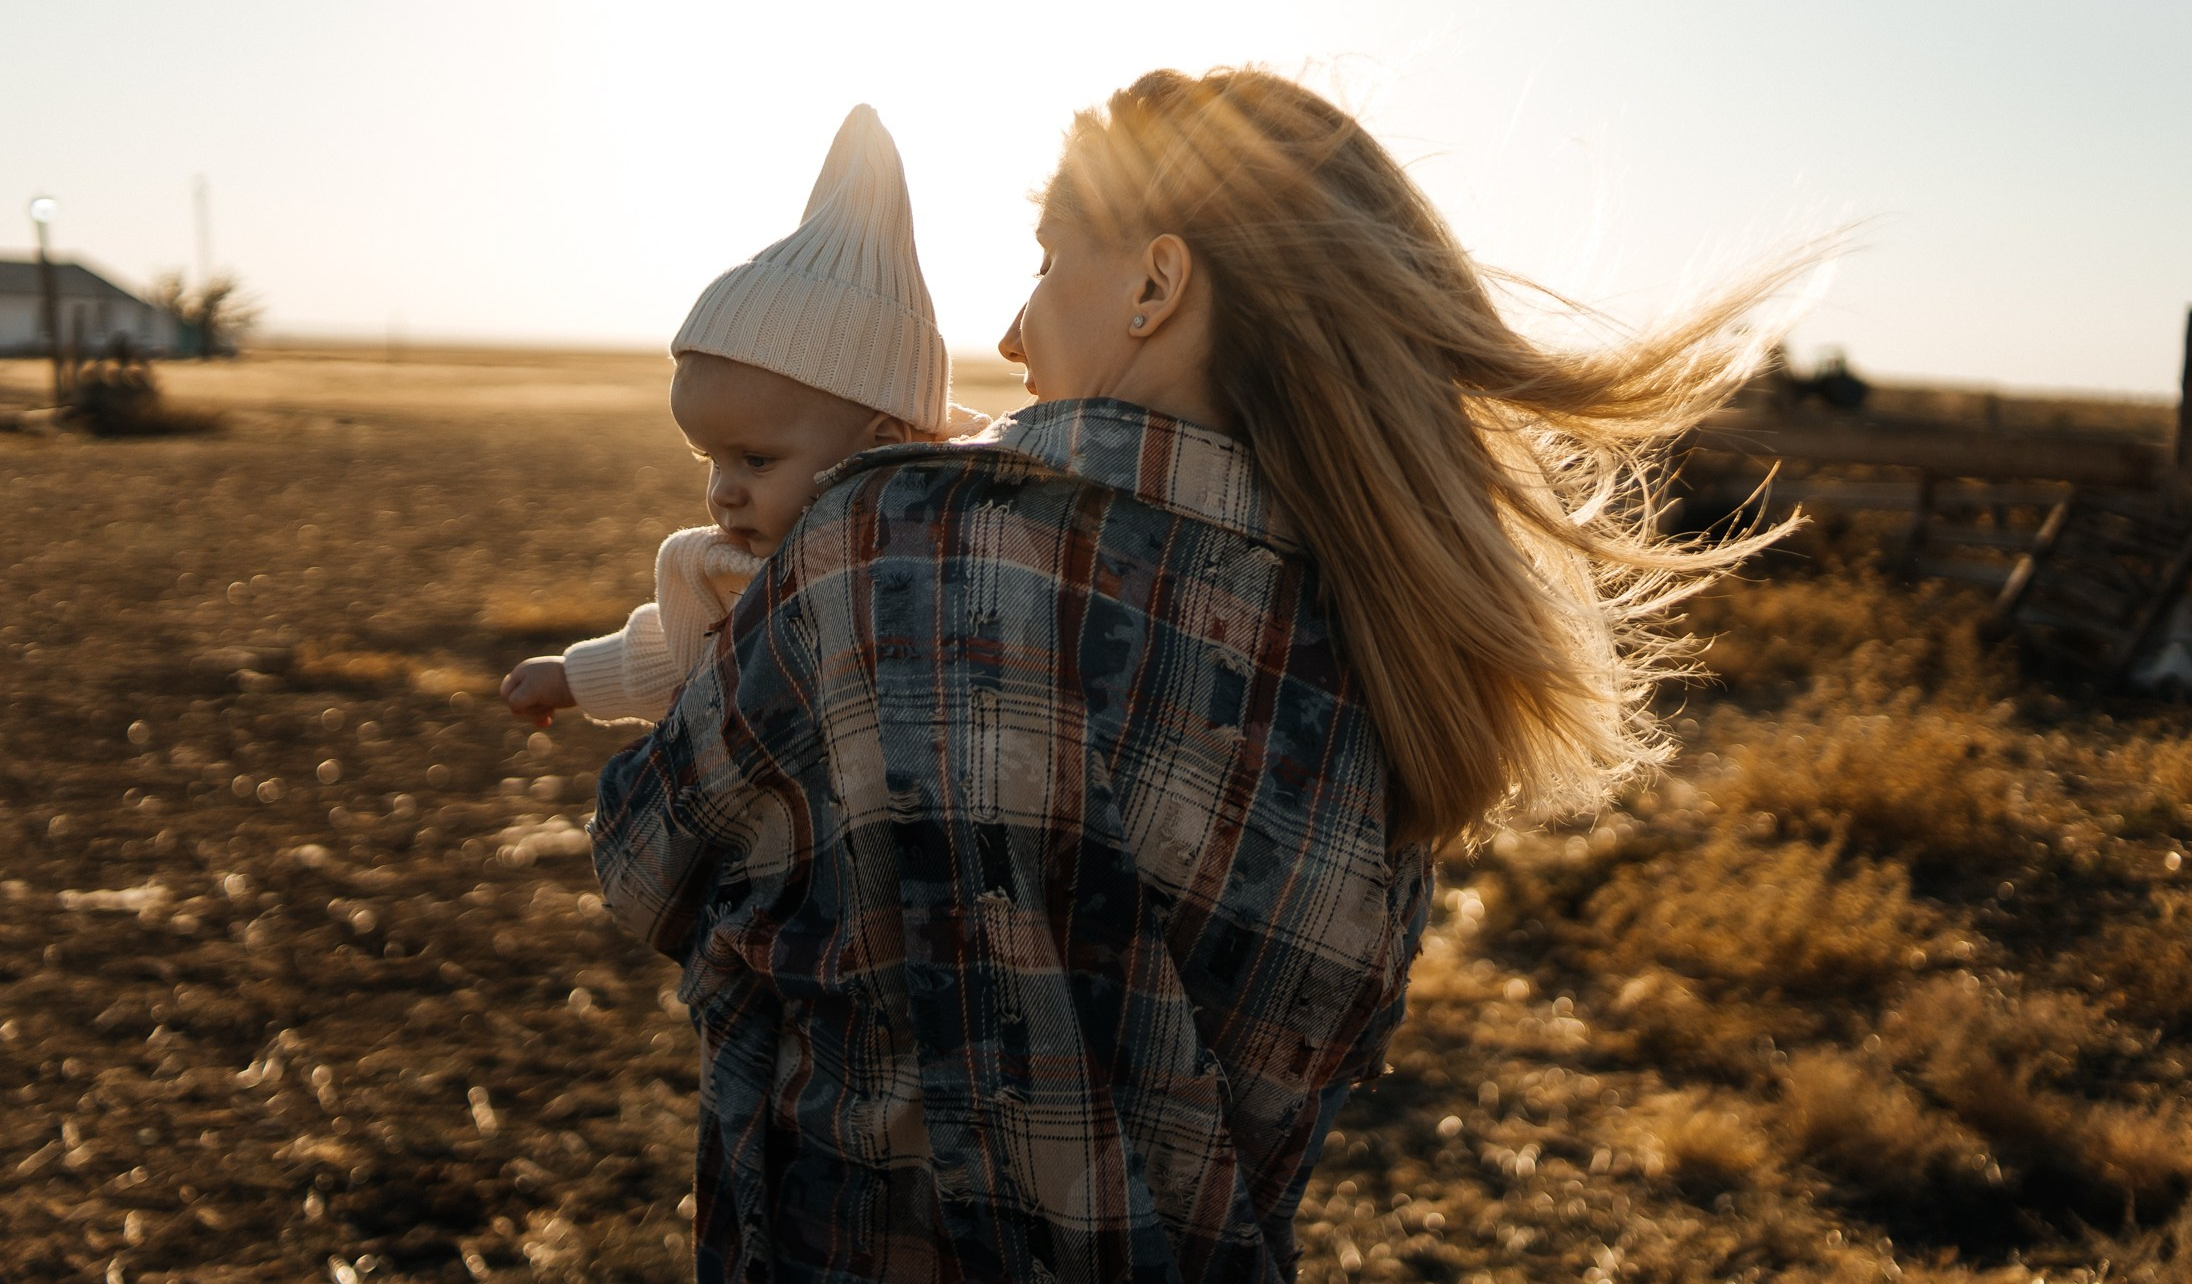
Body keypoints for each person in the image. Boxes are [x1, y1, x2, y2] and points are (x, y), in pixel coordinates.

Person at [590, 68, 1791, 1282]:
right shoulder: (1400, 661)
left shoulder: (891, 531)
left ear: (1157, 285)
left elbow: (648, 861)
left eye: (1050, 262)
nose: (1009, 335)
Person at [500, 104, 981, 729]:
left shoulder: (966, 531)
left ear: (883, 446)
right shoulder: (729, 575)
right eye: (711, 459)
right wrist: (570, 677)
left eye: (756, 460)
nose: (724, 492)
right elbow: (666, 656)